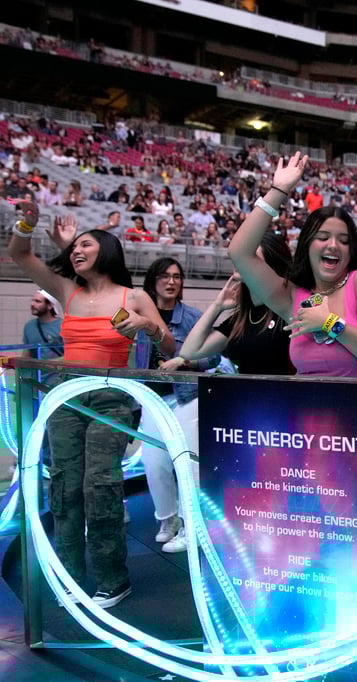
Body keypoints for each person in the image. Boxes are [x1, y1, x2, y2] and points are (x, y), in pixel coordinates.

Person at [7, 203, 174, 608]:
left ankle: (113, 580)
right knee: (65, 487)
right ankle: (69, 578)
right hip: (65, 396)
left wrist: (146, 325)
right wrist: (27, 221)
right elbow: (19, 254)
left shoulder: (133, 295)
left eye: (85, 244)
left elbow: (168, 345)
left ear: (106, 250)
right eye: (74, 246)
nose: (76, 250)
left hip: (111, 396)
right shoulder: (69, 291)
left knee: (99, 487)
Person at [228, 152, 357, 379]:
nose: (334, 245)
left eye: (344, 240)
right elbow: (239, 252)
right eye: (323, 237)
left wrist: (330, 323)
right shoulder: (290, 295)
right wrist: (278, 190)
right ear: (307, 244)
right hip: (306, 408)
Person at [135, 257, 221, 553]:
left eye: (177, 276)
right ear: (152, 281)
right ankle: (168, 519)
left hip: (187, 396)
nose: (171, 282)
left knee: (188, 464)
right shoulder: (136, 318)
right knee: (154, 464)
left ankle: (191, 525)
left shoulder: (192, 316)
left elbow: (214, 357)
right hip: (151, 398)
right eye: (165, 276)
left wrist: (185, 360)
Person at [179, 232, 294, 377]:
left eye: (251, 255)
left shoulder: (288, 311)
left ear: (271, 266)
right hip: (245, 397)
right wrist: (217, 306)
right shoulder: (242, 318)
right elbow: (189, 351)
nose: (240, 260)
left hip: (281, 397)